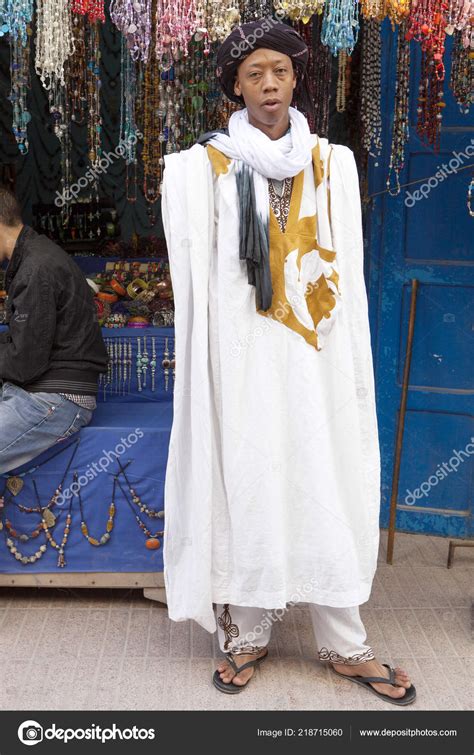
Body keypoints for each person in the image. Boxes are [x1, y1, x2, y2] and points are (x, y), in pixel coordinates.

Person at [161, 18, 416, 705]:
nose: (268, 84)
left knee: (323, 478)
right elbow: (200, 276)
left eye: (279, 70)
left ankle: (343, 640)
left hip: (313, 358)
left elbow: (346, 274)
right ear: (235, 89)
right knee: (248, 482)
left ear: (297, 78)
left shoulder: (331, 163)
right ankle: (248, 630)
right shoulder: (204, 166)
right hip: (244, 362)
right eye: (253, 75)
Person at [0, 186, 108, 474]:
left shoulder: (36, 268)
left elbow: (24, 364)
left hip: (56, 399)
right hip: (38, 390)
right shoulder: (33, 256)